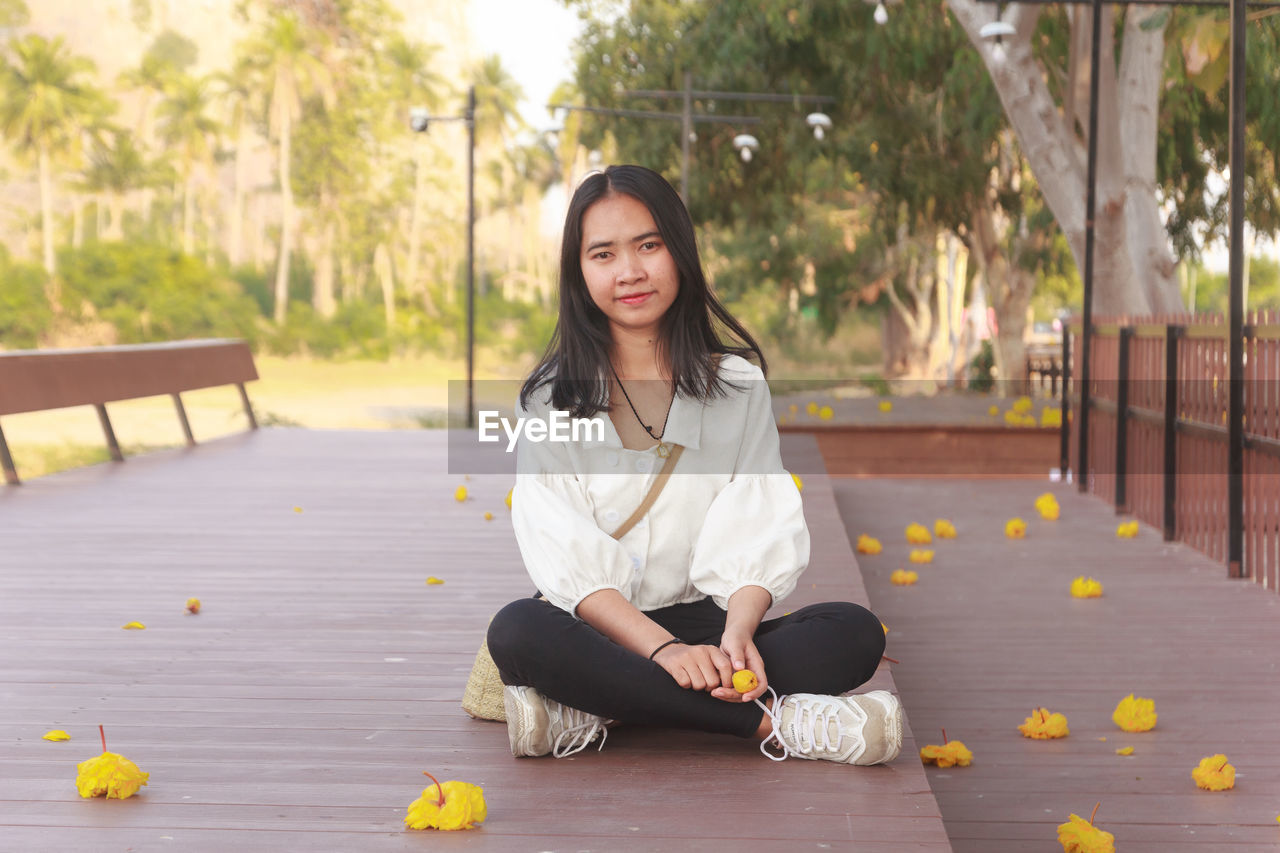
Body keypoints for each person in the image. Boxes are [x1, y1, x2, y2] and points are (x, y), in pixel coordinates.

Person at [486, 164, 899, 765]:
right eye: (603, 254)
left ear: (679, 251)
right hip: (604, 633)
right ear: (579, 273)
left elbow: (760, 520)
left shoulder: (738, 386)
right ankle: (776, 724)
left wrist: (735, 637)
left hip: (711, 628)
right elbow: (560, 544)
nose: (629, 271)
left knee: (855, 632)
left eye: (648, 245)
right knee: (518, 632)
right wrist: (661, 652)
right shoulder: (549, 400)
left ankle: (595, 708)